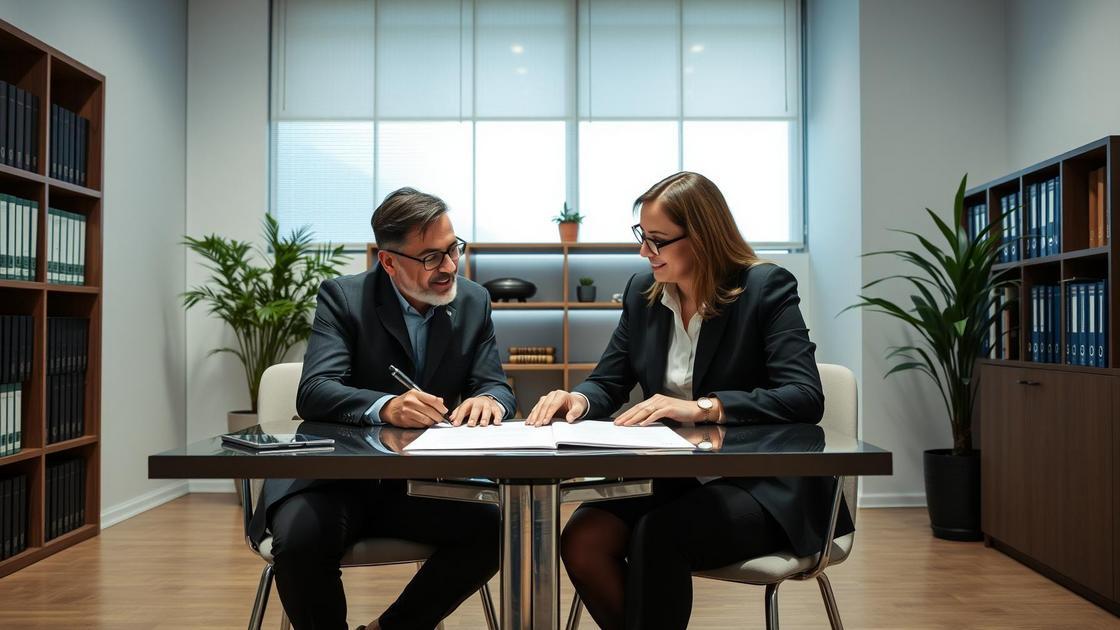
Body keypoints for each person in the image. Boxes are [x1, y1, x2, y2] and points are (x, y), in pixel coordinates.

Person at [525, 172, 853, 630]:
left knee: (658, 536)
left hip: (764, 486)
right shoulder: (644, 297)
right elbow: (609, 381)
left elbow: (803, 396)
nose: (644, 252)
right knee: (583, 537)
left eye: (657, 240)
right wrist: (577, 399)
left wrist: (703, 407)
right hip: (675, 480)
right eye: (642, 236)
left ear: (701, 238)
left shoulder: (766, 289)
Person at [248, 187, 516, 630]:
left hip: (420, 482)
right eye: (431, 257)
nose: (449, 267)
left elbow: (495, 385)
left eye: (453, 249)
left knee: (498, 529)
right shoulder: (343, 297)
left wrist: (490, 399)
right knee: (299, 542)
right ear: (388, 261)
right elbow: (315, 389)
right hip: (332, 481)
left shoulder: (473, 301)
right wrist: (386, 405)